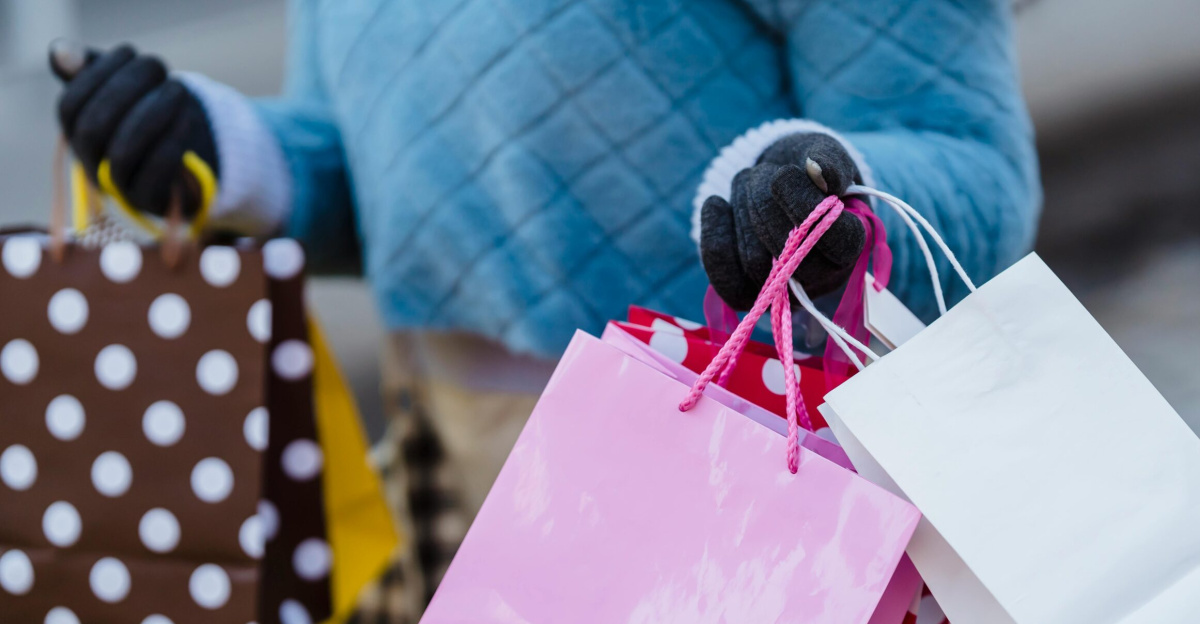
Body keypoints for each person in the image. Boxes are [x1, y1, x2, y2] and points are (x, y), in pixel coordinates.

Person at [50, 0, 1040, 621]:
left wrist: (822, 197)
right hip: (450, 488)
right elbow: (377, 172)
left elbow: (963, 152)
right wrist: (227, 153)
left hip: (741, 507)